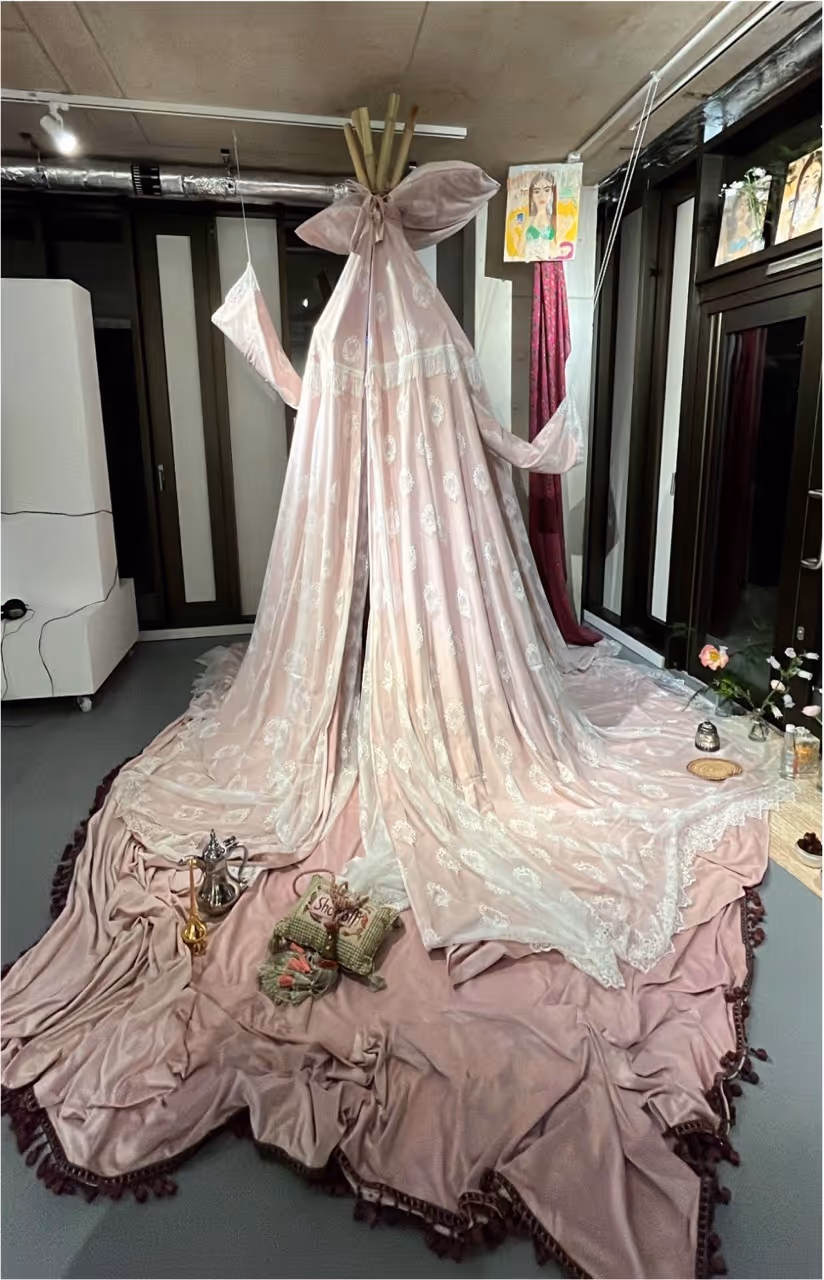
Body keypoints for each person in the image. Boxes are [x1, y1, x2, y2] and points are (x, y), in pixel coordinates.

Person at [789, 150, 822, 238]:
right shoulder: (787, 216)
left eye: (815, 176)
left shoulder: (819, 214)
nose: (810, 185)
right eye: (805, 180)